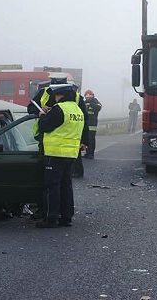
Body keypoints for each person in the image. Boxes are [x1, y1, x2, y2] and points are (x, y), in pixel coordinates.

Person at [36, 83, 85, 228]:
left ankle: (50, 218)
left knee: (52, 186)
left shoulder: (59, 109)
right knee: (66, 186)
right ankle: (66, 217)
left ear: (61, 95)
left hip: (55, 153)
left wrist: (42, 115)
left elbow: (45, 126)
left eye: (56, 95)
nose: (55, 98)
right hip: (71, 154)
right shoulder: (77, 110)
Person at [28, 75, 89, 178]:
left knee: (56, 181)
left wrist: (84, 140)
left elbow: (84, 120)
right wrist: (40, 110)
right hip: (50, 138)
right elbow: (30, 108)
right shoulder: (43, 93)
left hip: (67, 137)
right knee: (65, 181)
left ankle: (75, 173)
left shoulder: (77, 97)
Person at [83, 89, 102, 159]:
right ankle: (87, 153)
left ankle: (91, 154)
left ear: (92, 96)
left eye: (89, 96)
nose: (88, 98)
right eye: (86, 96)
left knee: (91, 140)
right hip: (85, 125)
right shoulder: (84, 103)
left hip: (92, 125)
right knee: (86, 140)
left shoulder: (95, 102)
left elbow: (99, 107)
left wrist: (90, 104)